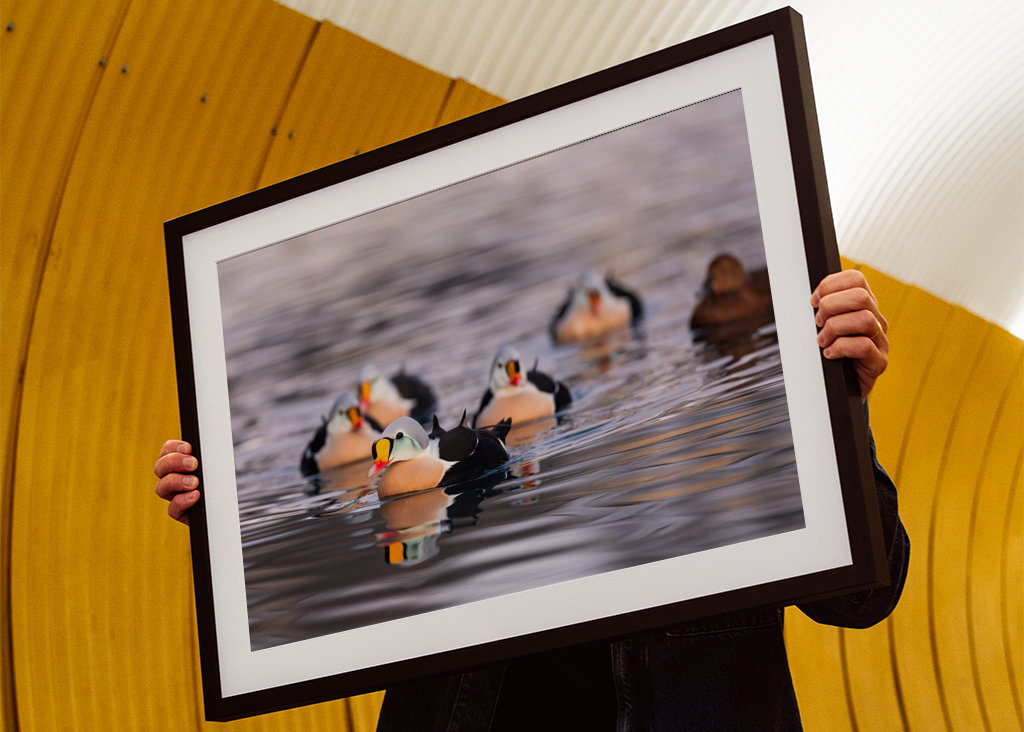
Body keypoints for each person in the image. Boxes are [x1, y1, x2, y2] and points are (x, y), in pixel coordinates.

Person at [154, 270, 908, 730]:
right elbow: (327, 576)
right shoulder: (445, 510)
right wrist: (231, 519)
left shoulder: (713, 454)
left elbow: (865, 596)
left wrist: (836, 406)